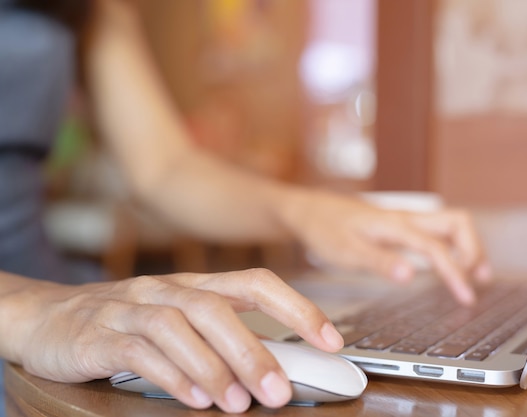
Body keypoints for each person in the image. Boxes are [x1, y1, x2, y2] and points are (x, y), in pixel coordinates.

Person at [0, 0, 492, 414]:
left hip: (60, 303)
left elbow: (164, 167)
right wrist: (27, 311)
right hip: (40, 317)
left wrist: (305, 211)